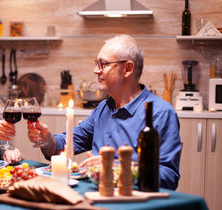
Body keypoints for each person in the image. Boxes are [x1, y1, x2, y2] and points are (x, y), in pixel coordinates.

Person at [27, 35, 182, 190]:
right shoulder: (104, 108)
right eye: (97, 64)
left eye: (104, 64)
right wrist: (46, 139)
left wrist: (115, 167)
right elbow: (64, 145)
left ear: (128, 68)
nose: (96, 71)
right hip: (95, 194)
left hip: (133, 203)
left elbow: (168, 177)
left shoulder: (160, 113)